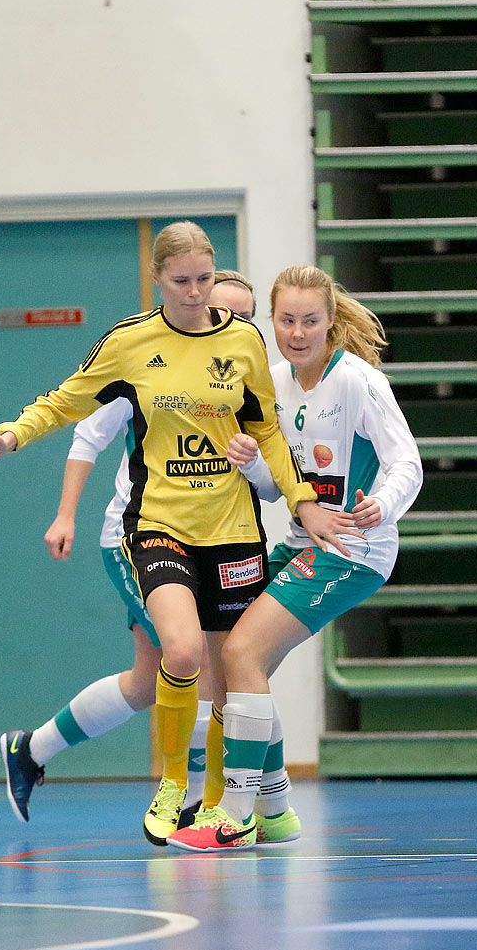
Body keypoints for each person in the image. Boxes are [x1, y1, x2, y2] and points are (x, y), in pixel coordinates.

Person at [0, 223, 353, 845]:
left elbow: (269, 434)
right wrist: (10, 436)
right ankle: (175, 783)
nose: (197, 292)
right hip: (157, 526)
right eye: (183, 282)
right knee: (182, 655)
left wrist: (303, 500)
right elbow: (68, 404)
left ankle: (226, 805)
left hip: (231, 533)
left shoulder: (246, 344)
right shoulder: (130, 343)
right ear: (158, 280)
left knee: (227, 676)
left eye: (205, 279)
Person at [167, 264, 424, 852]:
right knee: (233, 665)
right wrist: (251, 461)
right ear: (273, 324)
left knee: (241, 651)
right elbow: (274, 488)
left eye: (311, 321)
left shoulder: (359, 382)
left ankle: (234, 816)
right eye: (287, 320)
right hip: (300, 543)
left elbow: (407, 463)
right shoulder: (273, 385)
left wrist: (379, 507)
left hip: (353, 549)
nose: (299, 332)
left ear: (331, 322)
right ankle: (278, 809)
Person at [0, 272, 262, 826]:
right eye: (218, 308)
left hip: (213, 541)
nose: (226, 323)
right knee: (196, 662)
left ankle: (31, 750)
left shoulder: (245, 373)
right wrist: (65, 513)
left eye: (243, 316)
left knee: (150, 681)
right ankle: (194, 800)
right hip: (139, 536)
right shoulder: (148, 360)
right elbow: (87, 433)